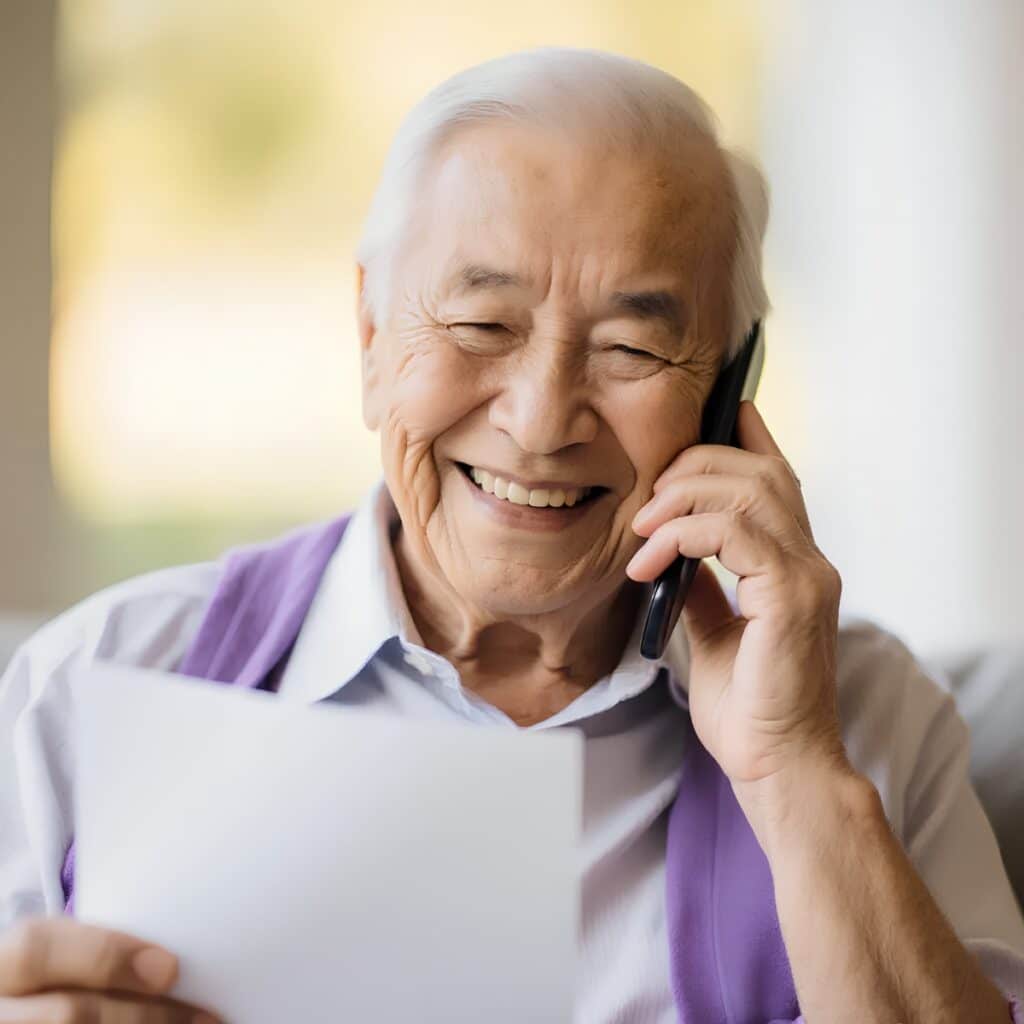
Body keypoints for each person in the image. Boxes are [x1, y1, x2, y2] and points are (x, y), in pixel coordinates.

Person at [1, 47, 1022, 1024]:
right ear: (370, 340)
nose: (539, 422)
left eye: (631, 346)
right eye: (482, 325)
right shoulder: (92, 686)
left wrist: (791, 771)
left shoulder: (867, 725)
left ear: (725, 393)